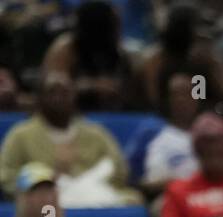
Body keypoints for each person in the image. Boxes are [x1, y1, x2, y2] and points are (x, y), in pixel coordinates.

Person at [0, 70, 137, 204]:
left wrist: (86, 183)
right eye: (52, 92)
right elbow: (6, 175)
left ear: (74, 96)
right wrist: (40, 184)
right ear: (39, 98)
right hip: (44, 200)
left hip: (94, 196)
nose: (59, 98)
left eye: (65, 93)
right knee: (47, 208)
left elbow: (120, 170)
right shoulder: (20, 135)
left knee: (133, 200)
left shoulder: (96, 134)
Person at [40, 0, 140, 111]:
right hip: (73, 116)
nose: (119, 31)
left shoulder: (123, 52)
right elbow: (52, 91)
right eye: (115, 25)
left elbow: (135, 93)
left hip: (114, 114)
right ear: (99, 27)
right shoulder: (65, 49)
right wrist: (90, 86)